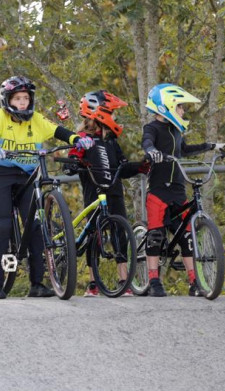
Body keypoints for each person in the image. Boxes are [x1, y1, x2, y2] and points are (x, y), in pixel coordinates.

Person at [0, 75, 94, 299]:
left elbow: (57, 131)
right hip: (2, 174)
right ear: (8, 100)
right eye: (17, 98)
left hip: (27, 175)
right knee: (3, 226)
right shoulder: (1, 116)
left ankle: (37, 284)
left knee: (34, 227)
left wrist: (77, 139)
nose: (22, 102)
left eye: (25, 98)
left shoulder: (36, 119)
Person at [141, 83, 225, 297]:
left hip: (178, 189)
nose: (182, 111)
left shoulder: (176, 130)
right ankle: (153, 280)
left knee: (187, 237)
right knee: (155, 235)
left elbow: (185, 150)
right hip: (159, 189)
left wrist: (211, 146)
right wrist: (151, 151)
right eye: (180, 107)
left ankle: (194, 282)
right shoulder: (152, 128)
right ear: (166, 106)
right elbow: (147, 142)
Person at [67, 90, 146, 297]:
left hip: (114, 192)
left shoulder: (111, 142)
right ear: (98, 112)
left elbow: (123, 166)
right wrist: (73, 164)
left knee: (120, 233)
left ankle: (124, 280)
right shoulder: (83, 139)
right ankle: (93, 284)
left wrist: (141, 167)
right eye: (112, 112)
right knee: (94, 234)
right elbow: (73, 156)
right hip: (94, 193)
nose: (115, 118)